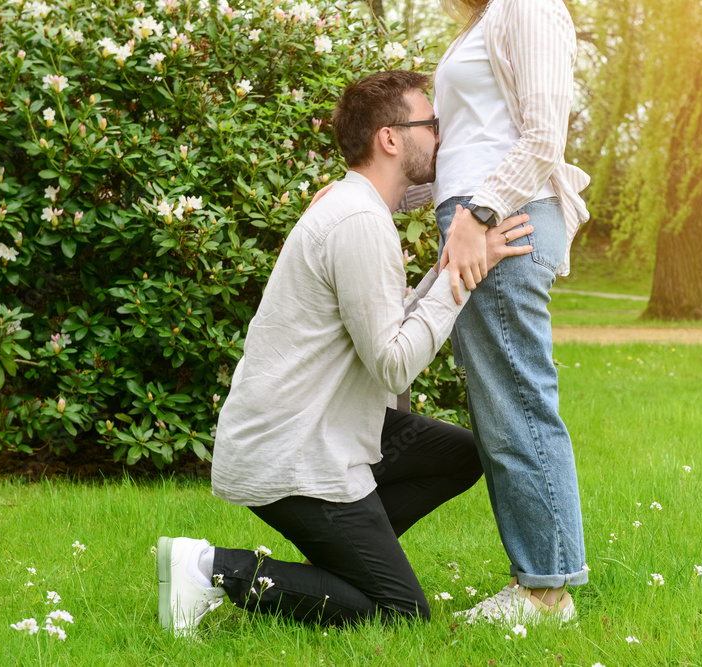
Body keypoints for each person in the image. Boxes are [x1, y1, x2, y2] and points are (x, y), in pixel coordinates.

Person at [156, 70, 534, 637]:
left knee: (458, 455)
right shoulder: (357, 218)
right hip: (295, 451)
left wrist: (449, 268)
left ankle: (337, 564)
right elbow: (393, 361)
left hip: (325, 428)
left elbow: (387, 322)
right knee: (401, 613)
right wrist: (460, 275)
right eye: (430, 124)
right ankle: (209, 568)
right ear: (390, 138)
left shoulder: (356, 207)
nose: (440, 135)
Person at [429, 0, 593, 624]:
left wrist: (478, 214)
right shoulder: (486, 19)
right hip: (479, 215)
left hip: (504, 218)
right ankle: (541, 582)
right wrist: (366, 185)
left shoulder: (530, 7)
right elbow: (463, 147)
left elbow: (544, 135)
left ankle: (546, 591)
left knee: (517, 401)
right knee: (503, 404)